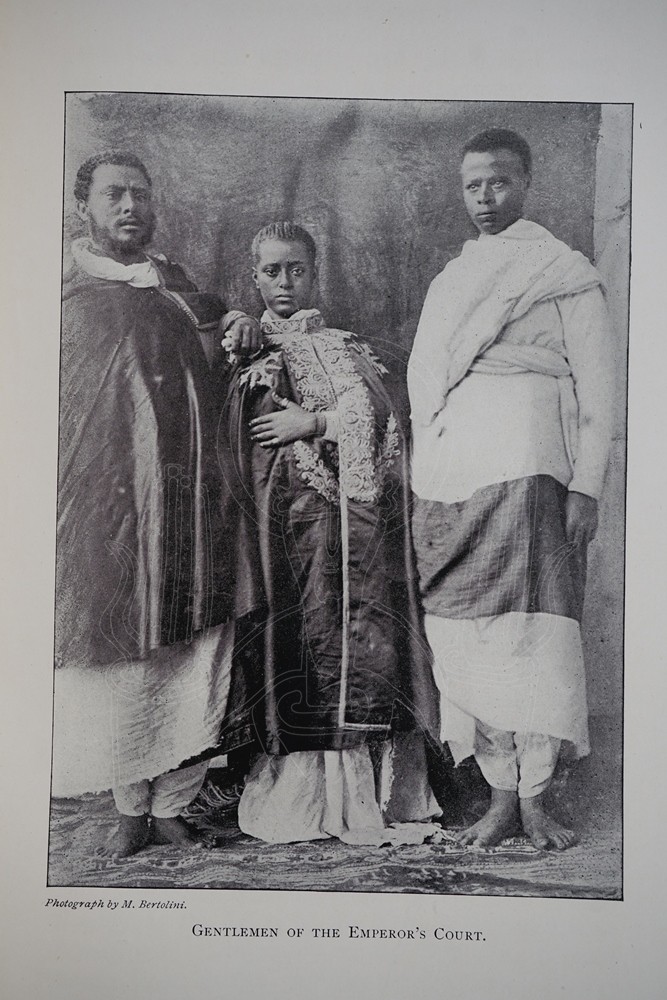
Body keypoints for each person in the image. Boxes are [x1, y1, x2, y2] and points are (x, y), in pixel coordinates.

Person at [408, 129, 614, 850]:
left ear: (525, 182)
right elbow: (424, 382)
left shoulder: (564, 273)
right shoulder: (452, 279)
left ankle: (534, 800)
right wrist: (426, 468)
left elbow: (599, 390)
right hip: (452, 477)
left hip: (533, 470)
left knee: (536, 633)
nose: (485, 198)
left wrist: (586, 486)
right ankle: (498, 797)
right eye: (472, 186)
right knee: (466, 632)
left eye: (498, 182)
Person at [53, 150, 261, 858]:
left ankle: (172, 804)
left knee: (190, 648)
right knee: (117, 651)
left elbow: (217, 325)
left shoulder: (172, 282)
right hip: (102, 506)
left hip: (187, 497)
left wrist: (238, 318)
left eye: (140, 195)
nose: (129, 208)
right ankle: (128, 808)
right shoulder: (64, 292)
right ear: (84, 205)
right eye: (114, 195)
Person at [220, 222, 441, 845]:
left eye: (297, 269)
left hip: (358, 524)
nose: (285, 283)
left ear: (314, 274)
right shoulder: (246, 349)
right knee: (303, 635)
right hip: (287, 526)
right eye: (272, 271)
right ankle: (304, 797)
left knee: (361, 635)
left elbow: (385, 416)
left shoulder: (347, 346)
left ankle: (373, 796)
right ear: (255, 276)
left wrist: (316, 422)